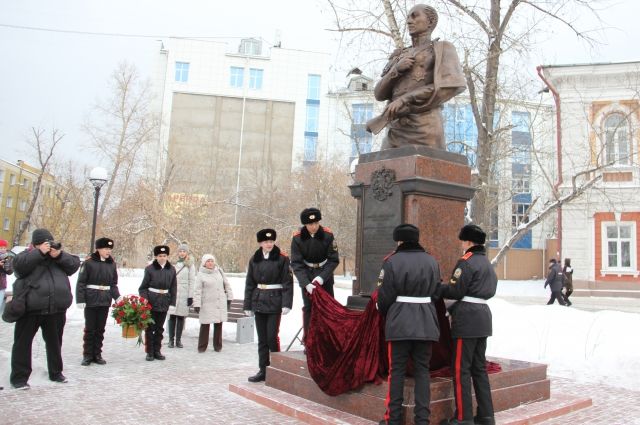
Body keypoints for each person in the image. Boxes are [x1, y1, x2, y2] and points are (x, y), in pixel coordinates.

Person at [366, 4, 466, 149]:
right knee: (383, 169)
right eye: (407, 17)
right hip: (395, 129)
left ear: (430, 22)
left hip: (425, 128)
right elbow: (379, 94)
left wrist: (404, 100)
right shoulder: (399, 55)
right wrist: (396, 70)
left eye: (414, 16)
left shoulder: (442, 49)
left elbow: (449, 86)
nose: (409, 21)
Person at [375, 224, 441, 425]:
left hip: (400, 323)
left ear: (399, 241)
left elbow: (384, 297)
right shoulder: (432, 261)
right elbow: (437, 293)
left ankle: (393, 419)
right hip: (426, 323)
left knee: (397, 372)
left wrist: (389, 312)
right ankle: (422, 420)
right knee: (422, 371)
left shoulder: (392, 261)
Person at [439, 224, 497, 425]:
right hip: (483, 318)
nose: (461, 244)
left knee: (461, 369)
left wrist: (437, 288)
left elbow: (455, 291)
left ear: (469, 242)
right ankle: (486, 415)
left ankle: (463, 418)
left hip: (467, 320)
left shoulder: (466, 262)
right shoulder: (487, 263)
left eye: (463, 241)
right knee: (479, 369)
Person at [10, 228, 80, 389]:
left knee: (55, 343)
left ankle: (56, 372)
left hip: (55, 309)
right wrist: (38, 253)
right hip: (30, 309)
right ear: (35, 245)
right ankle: (19, 378)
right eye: (44, 243)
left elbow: (74, 265)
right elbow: (19, 268)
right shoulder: (26, 256)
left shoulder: (56, 258)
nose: (48, 246)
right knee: (22, 343)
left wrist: (59, 255)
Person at [244, 228, 294, 383]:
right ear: (260, 243)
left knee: (272, 337)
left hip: (274, 301)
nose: (269, 244)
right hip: (259, 300)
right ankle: (263, 369)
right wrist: (247, 305)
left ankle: (276, 369)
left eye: (271, 241)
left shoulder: (282, 258)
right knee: (262, 339)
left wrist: (287, 303)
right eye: (266, 242)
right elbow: (250, 283)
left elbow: (287, 282)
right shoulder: (255, 259)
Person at [290, 207, 340, 345]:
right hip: (307, 273)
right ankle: (309, 341)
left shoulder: (328, 235)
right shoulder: (297, 238)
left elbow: (334, 259)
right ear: (305, 225)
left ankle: (329, 341)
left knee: (328, 308)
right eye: (311, 224)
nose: (314, 227)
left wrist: (321, 278)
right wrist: (306, 283)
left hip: (325, 274)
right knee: (309, 309)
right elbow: (296, 263)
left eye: (316, 223)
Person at [76, 237, 121, 366]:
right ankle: (87, 355)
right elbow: (81, 282)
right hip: (91, 299)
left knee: (100, 329)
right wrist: (80, 299)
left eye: (110, 249)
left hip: (104, 300)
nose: (108, 251)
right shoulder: (88, 263)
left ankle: (97, 354)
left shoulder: (111, 264)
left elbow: (113, 283)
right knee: (90, 329)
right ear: (98, 249)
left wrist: (117, 297)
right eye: (106, 249)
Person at [139, 245, 177, 361]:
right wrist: (145, 298)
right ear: (156, 257)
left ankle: (157, 350)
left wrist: (172, 303)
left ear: (167, 256)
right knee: (150, 328)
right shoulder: (150, 269)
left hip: (164, 301)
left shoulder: (171, 269)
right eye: (160, 256)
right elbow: (143, 288)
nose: (162, 258)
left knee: (160, 328)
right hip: (152, 301)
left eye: (164, 256)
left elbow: (173, 287)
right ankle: (149, 351)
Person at [193, 254, 233, 352]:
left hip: (219, 302)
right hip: (207, 303)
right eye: (208, 261)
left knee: (219, 324)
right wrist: (197, 304)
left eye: (212, 261)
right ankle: (202, 347)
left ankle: (218, 346)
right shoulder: (201, 274)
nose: (210, 263)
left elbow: (227, 284)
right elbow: (197, 291)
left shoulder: (219, 271)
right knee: (205, 325)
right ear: (204, 263)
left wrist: (229, 297)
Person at [167, 242, 195, 348]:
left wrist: (190, 296)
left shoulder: (190, 265)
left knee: (180, 317)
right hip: (173, 293)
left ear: (187, 253)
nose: (182, 253)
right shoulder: (173, 263)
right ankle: (171, 340)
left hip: (184, 293)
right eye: (180, 251)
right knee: (172, 316)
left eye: (184, 251)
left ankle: (178, 340)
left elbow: (192, 281)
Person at [0, 238, 14, 314]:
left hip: (1, 285)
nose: (3, 249)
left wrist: (6, 266)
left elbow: (10, 272)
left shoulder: (7, 258)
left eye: (4, 248)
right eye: (1, 248)